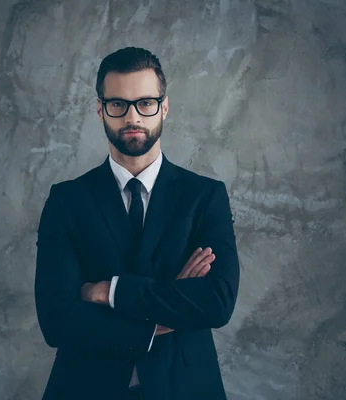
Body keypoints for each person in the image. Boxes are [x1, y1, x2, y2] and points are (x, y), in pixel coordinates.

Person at [34, 47, 240, 400]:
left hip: (185, 388)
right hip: (85, 389)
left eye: (146, 103)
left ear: (164, 106)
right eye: (118, 104)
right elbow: (56, 320)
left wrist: (107, 292)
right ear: (100, 110)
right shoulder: (67, 201)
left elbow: (217, 302)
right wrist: (169, 311)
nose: (133, 117)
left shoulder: (205, 196)